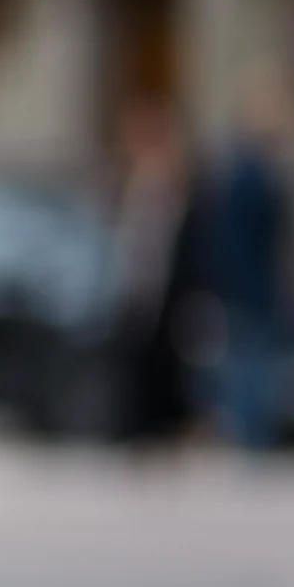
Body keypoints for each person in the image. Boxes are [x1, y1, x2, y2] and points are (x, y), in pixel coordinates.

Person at [107, 97, 212, 450]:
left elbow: (155, 245)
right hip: (144, 289)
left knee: (160, 364)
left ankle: (160, 427)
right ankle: (149, 427)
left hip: (157, 291)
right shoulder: (141, 180)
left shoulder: (160, 181)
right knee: (144, 364)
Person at [204, 71, 294, 453]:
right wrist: (248, 284)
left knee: (256, 363)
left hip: (260, 285)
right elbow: (238, 238)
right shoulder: (247, 175)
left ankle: (253, 435)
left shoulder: (264, 171)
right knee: (249, 364)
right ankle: (250, 437)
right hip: (251, 287)